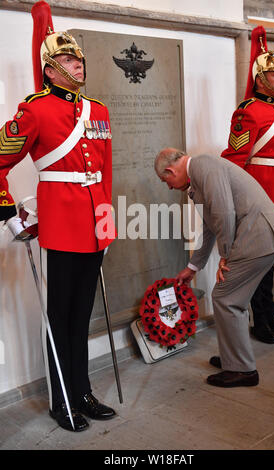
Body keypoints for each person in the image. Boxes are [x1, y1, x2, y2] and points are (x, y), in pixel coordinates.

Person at [0, 1, 116, 431]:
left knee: (82, 315)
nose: (78, 65)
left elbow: (105, 172)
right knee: (61, 316)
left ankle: (82, 390)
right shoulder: (34, 110)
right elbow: (0, 158)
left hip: (93, 226)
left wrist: (106, 223)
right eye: (67, 59)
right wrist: (5, 206)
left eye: (79, 59)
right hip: (61, 225)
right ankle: (61, 399)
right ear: (49, 69)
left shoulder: (98, 110)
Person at [155, 148, 274, 388]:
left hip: (259, 237)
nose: (168, 186)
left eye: (165, 181)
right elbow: (212, 225)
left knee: (226, 298)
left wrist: (226, 256)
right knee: (231, 298)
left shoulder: (202, 165)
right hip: (261, 237)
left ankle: (242, 370)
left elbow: (224, 213)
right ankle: (235, 359)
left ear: (170, 170)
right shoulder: (200, 174)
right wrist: (193, 267)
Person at [221, 26, 274, 344]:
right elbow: (235, 160)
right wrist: (238, 203)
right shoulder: (248, 113)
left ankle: (269, 315)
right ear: (260, 78)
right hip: (258, 200)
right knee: (258, 266)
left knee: (271, 262)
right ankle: (259, 321)